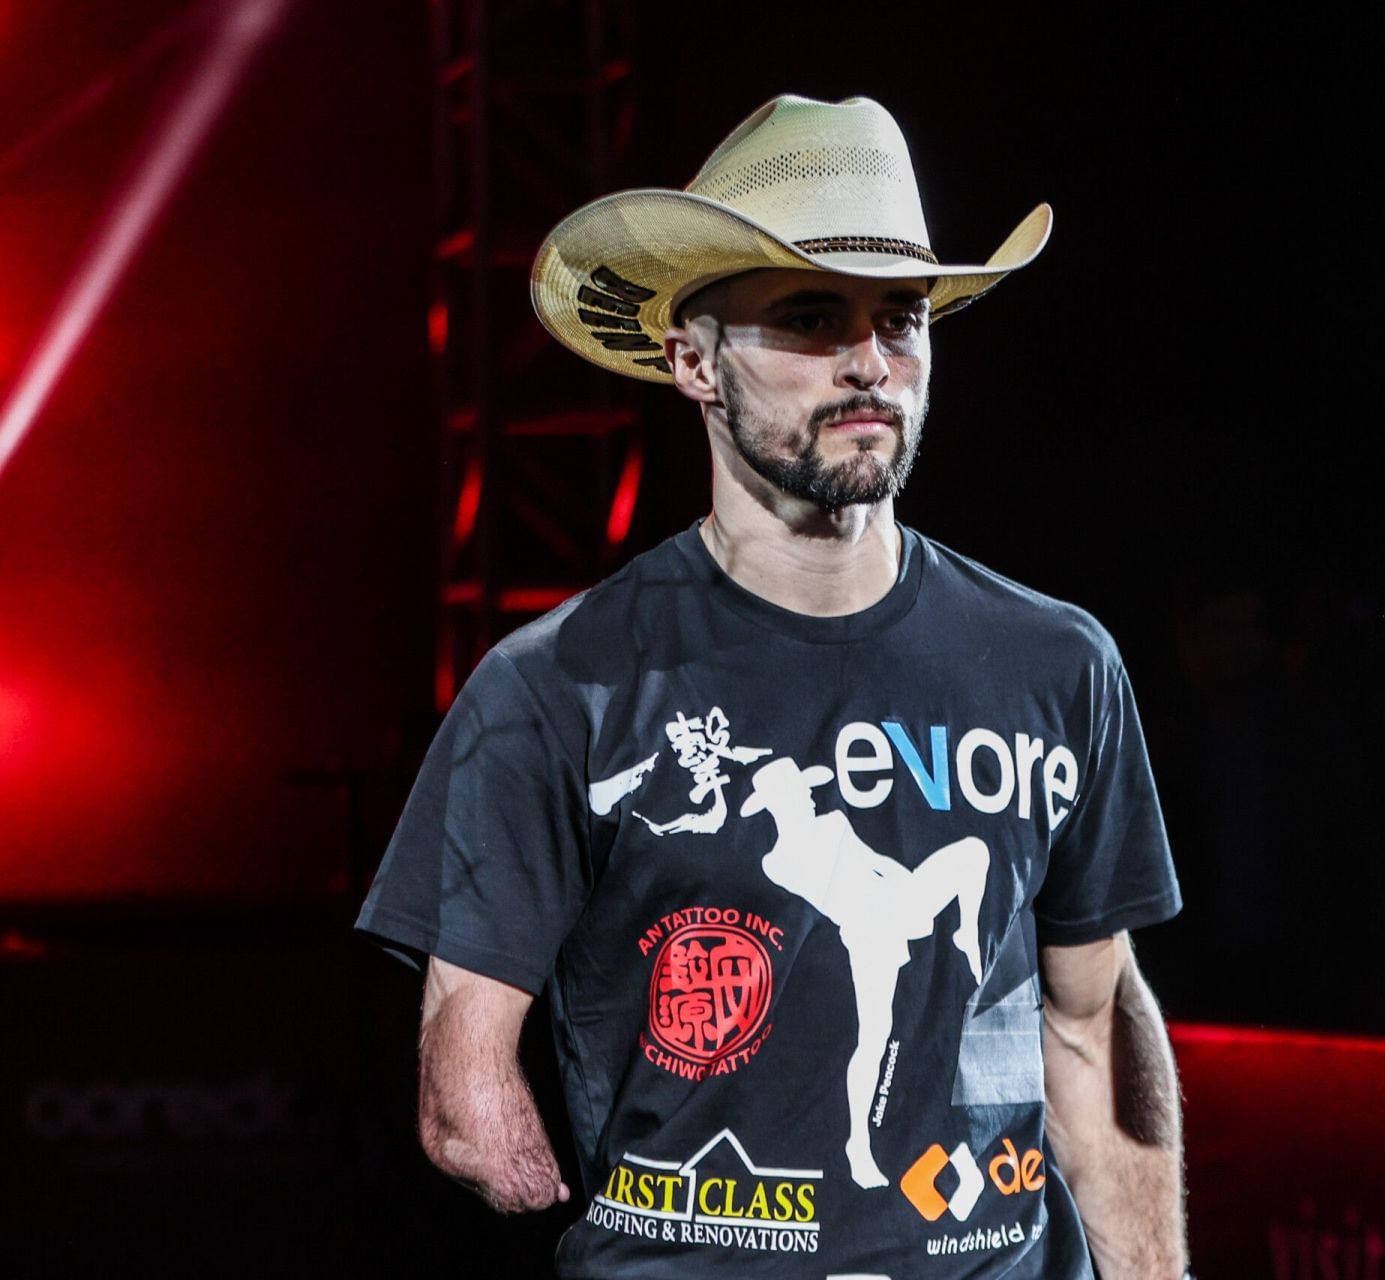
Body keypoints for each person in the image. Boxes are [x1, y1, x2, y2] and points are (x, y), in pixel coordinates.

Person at [356, 93, 1188, 1279]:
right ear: (691, 359)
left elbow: (1094, 1026)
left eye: (901, 319)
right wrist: (518, 1139)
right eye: (810, 317)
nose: (870, 361)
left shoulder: (1057, 662)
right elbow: (463, 1091)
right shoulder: (558, 688)